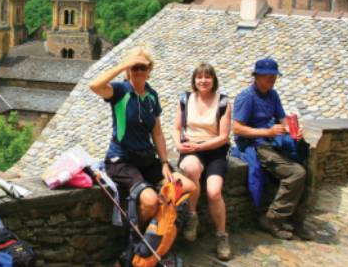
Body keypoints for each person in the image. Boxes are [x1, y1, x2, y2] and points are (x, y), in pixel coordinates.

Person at [89, 48, 195, 228]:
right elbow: (95, 86)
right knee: (150, 200)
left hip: (146, 159)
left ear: (149, 71)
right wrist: (124, 64)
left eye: (142, 68)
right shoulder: (120, 91)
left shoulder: (152, 96)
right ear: (128, 70)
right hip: (121, 160)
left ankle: (155, 231)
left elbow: (157, 132)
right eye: (134, 68)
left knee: (187, 186)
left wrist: (164, 163)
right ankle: (135, 238)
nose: (138, 72)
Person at [232, 58, 314, 240]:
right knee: (296, 173)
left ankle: (296, 219)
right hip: (257, 144)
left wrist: (292, 131)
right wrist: (267, 131)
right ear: (257, 76)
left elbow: (282, 118)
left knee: (308, 171)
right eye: (268, 76)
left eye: (274, 76)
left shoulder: (272, 94)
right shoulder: (247, 97)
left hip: (273, 141)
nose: (272, 79)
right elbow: (237, 128)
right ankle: (273, 218)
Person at [172, 63, 231, 260]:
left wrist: (201, 146)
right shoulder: (185, 99)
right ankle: (192, 215)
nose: (203, 81)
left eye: (207, 77)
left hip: (214, 152)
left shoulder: (223, 102)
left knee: (214, 193)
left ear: (213, 80)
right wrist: (178, 146)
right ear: (194, 80)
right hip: (191, 150)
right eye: (199, 77)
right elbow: (176, 128)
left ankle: (222, 235)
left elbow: (223, 137)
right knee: (191, 169)